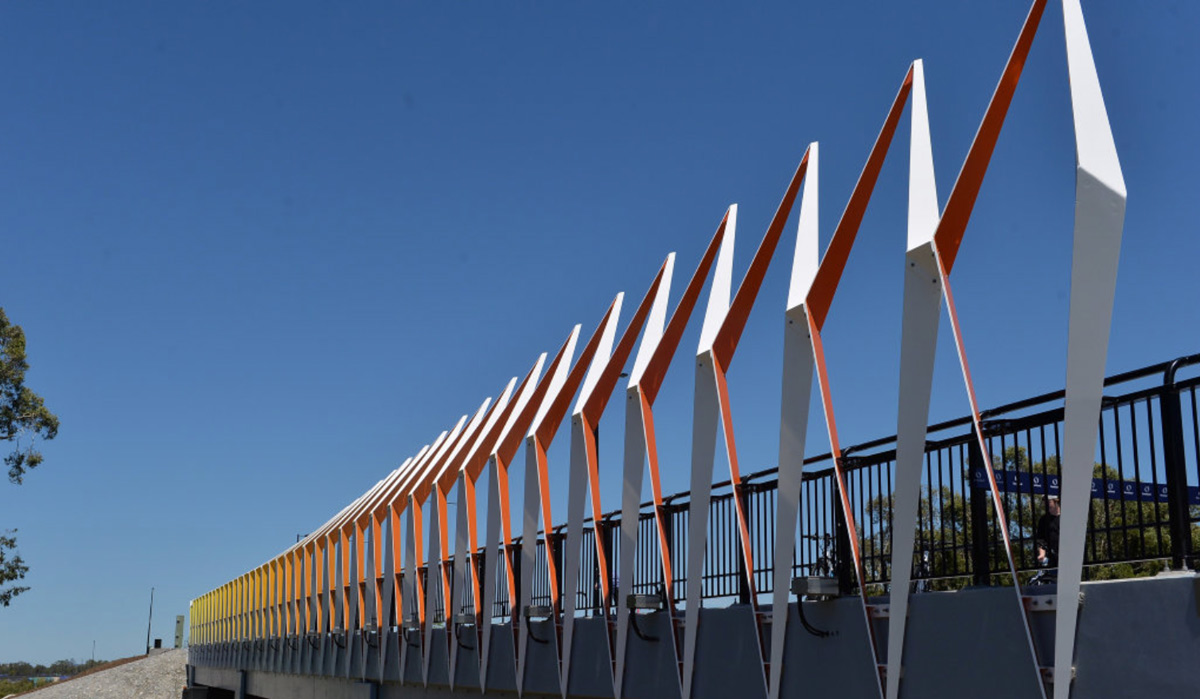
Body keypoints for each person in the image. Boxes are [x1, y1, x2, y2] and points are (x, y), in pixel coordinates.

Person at [1036, 494, 1061, 568]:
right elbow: (1041, 539)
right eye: (1044, 502)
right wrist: (1042, 554)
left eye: (1049, 502)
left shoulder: (1067, 517)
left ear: (1056, 501)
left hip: (1069, 555)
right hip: (1051, 558)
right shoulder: (1043, 520)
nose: (1046, 505)